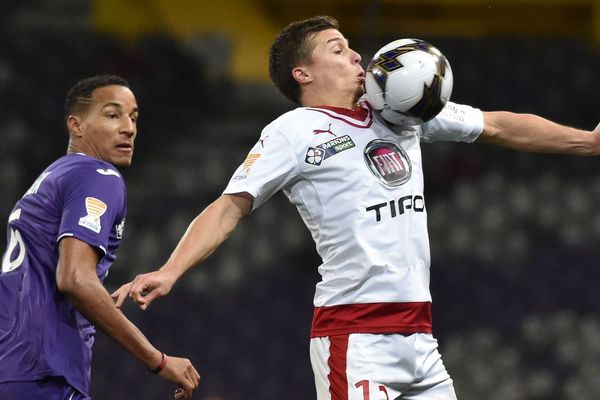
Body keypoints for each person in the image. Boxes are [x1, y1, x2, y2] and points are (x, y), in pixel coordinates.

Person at [112, 16, 600, 400]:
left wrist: (588, 142)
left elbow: (496, 125)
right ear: (302, 73)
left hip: (420, 336)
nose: (357, 55)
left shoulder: (400, 111)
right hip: (356, 336)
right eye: (338, 49)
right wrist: (172, 270)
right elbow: (229, 207)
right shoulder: (294, 131)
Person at [0, 75, 201, 400]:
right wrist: (158, 360)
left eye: (133, 117)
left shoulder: (53, 176)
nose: (129, 128)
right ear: (76, 126)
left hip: (14, 365)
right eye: (112, 114)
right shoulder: (97, 175)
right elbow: (75, 279)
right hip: (45, 372)